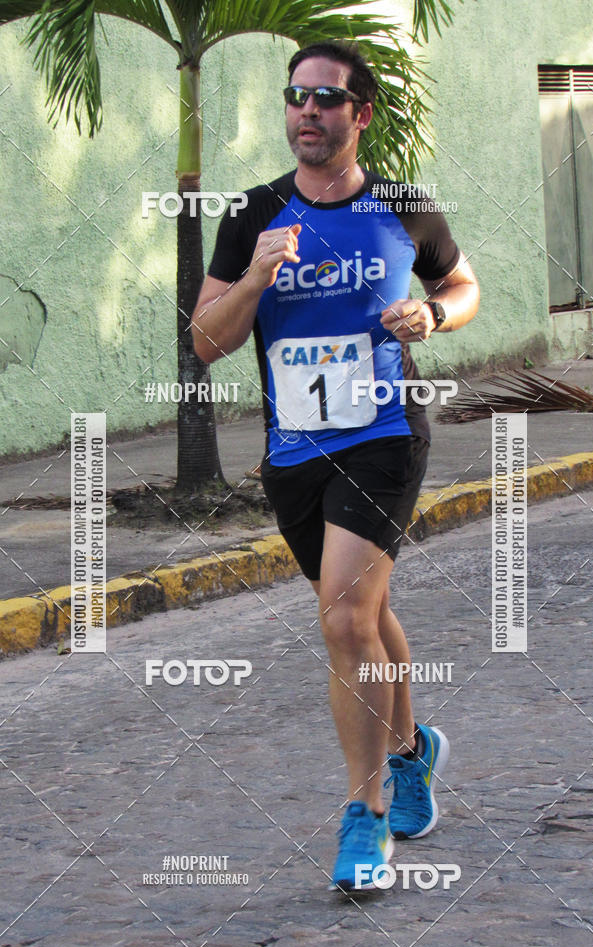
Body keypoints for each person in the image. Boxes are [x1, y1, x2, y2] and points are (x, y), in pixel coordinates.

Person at [192, 40, 479, 892]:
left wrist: (434, 313)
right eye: (296, 97)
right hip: (294, 451)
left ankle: (366, 817)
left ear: (360, 116)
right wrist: (253, 277)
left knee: (345, 620)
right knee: (362, 613)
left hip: (385, 435)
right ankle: (414, 748)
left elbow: (464, 285)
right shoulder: (252, 214)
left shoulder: (402, 205)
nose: (306, 112)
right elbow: (208, 342)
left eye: (325, 99)